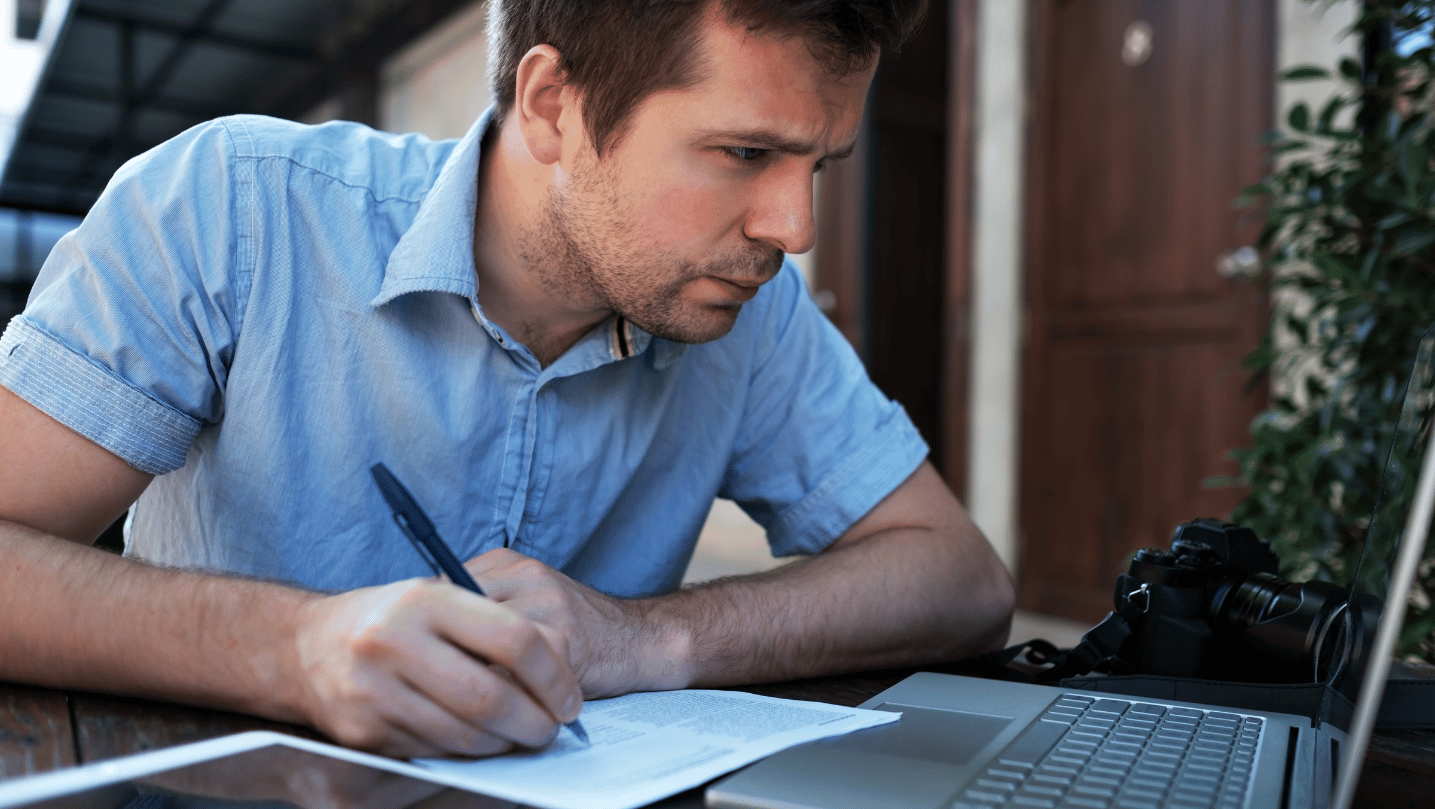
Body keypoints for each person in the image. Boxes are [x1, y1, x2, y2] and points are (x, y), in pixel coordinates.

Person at [0, 0, 1014, 760]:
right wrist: (293, 644)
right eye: (744, 152)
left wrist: (646, 636)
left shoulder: (750, 313)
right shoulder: (232, 210)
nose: (791, 231)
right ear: (551, 104)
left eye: (817, 166)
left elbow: (960, 579)